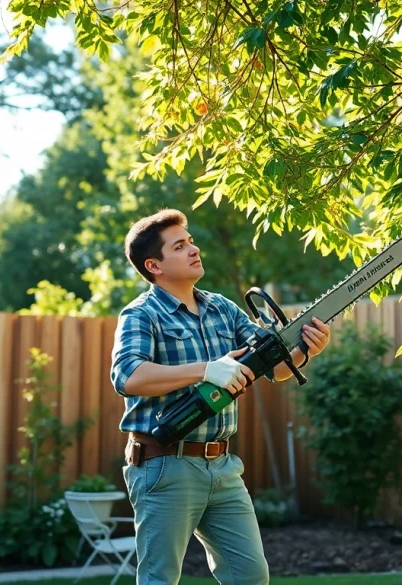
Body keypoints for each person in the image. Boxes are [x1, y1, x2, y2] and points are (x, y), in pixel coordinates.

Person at [110, 208, 331, 585]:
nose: (193, 249)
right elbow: (127, 375)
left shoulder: (222, 308)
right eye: (179, 246)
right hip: (165, 465)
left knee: (249, 575)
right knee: (159, 579)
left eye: (190, 241)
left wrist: (307, 349)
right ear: (154, 265)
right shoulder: (142, 314)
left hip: (223, 465)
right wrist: (206, 369)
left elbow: (272, 368)